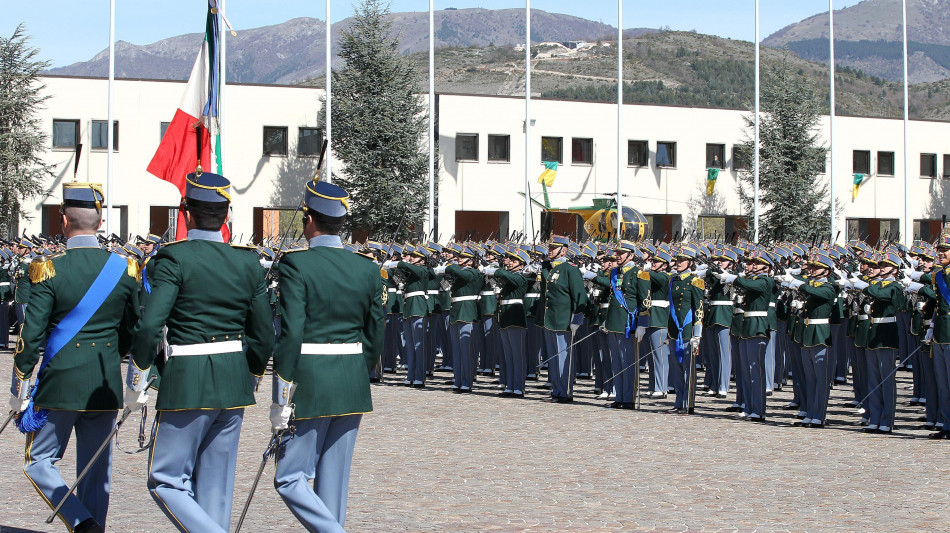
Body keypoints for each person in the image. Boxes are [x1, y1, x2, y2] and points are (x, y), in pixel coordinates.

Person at [128, 172, 274, 533]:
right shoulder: (246, 262)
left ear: (186, 213)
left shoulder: (173, 259)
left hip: (188, 379)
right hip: (233, 379)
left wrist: (139, 377)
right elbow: (264, 336)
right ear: (226, 216)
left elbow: (149, 327)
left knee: (165, 480)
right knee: (216, 489)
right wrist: (252, 373)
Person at [10, 182, 140, 533]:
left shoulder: (48, 268)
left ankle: (82, 522)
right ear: (99, 223)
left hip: (60, 382)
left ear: (63, 220)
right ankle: (93, 525)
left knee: (39, 462)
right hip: (103, 381)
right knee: (96, 470)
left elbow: (31, 334)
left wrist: (18, 384)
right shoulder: (125, 268)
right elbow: (132, 331)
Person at [269, 179, 384, 531]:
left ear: (309, 220)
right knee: (334, 484)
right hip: (351, 380)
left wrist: (281, 397)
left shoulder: (296, 265)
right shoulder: (365, 267)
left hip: (312, 382)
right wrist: (356, 370)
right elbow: (375, 332)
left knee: (288, 478)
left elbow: (291, 334)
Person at [538, 236, 588, 403]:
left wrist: (577, 318)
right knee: (554, 359)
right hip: (550, 319)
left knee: (563, 358)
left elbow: (579, 295)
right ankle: (557, 390)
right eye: (550, 247)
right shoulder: (551, 268)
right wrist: (545, 265)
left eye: (554, 247)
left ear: (564, 250)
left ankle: (566, 391)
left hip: (564, 320)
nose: (550, 250)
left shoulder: (570, 269)